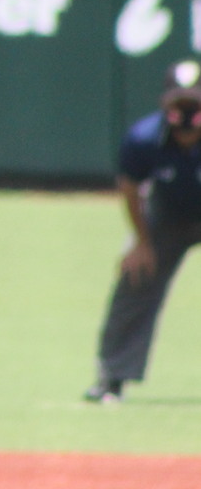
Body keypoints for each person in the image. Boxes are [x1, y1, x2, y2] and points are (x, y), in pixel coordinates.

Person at [84, 58, 201, 404]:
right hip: (169, 215)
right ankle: (112, 377)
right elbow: (131, 188)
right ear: (165, 104)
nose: (186, 113)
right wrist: (141, 241)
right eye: (178, 104)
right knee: (137, 277)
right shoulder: (144, 138)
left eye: (194, 103)